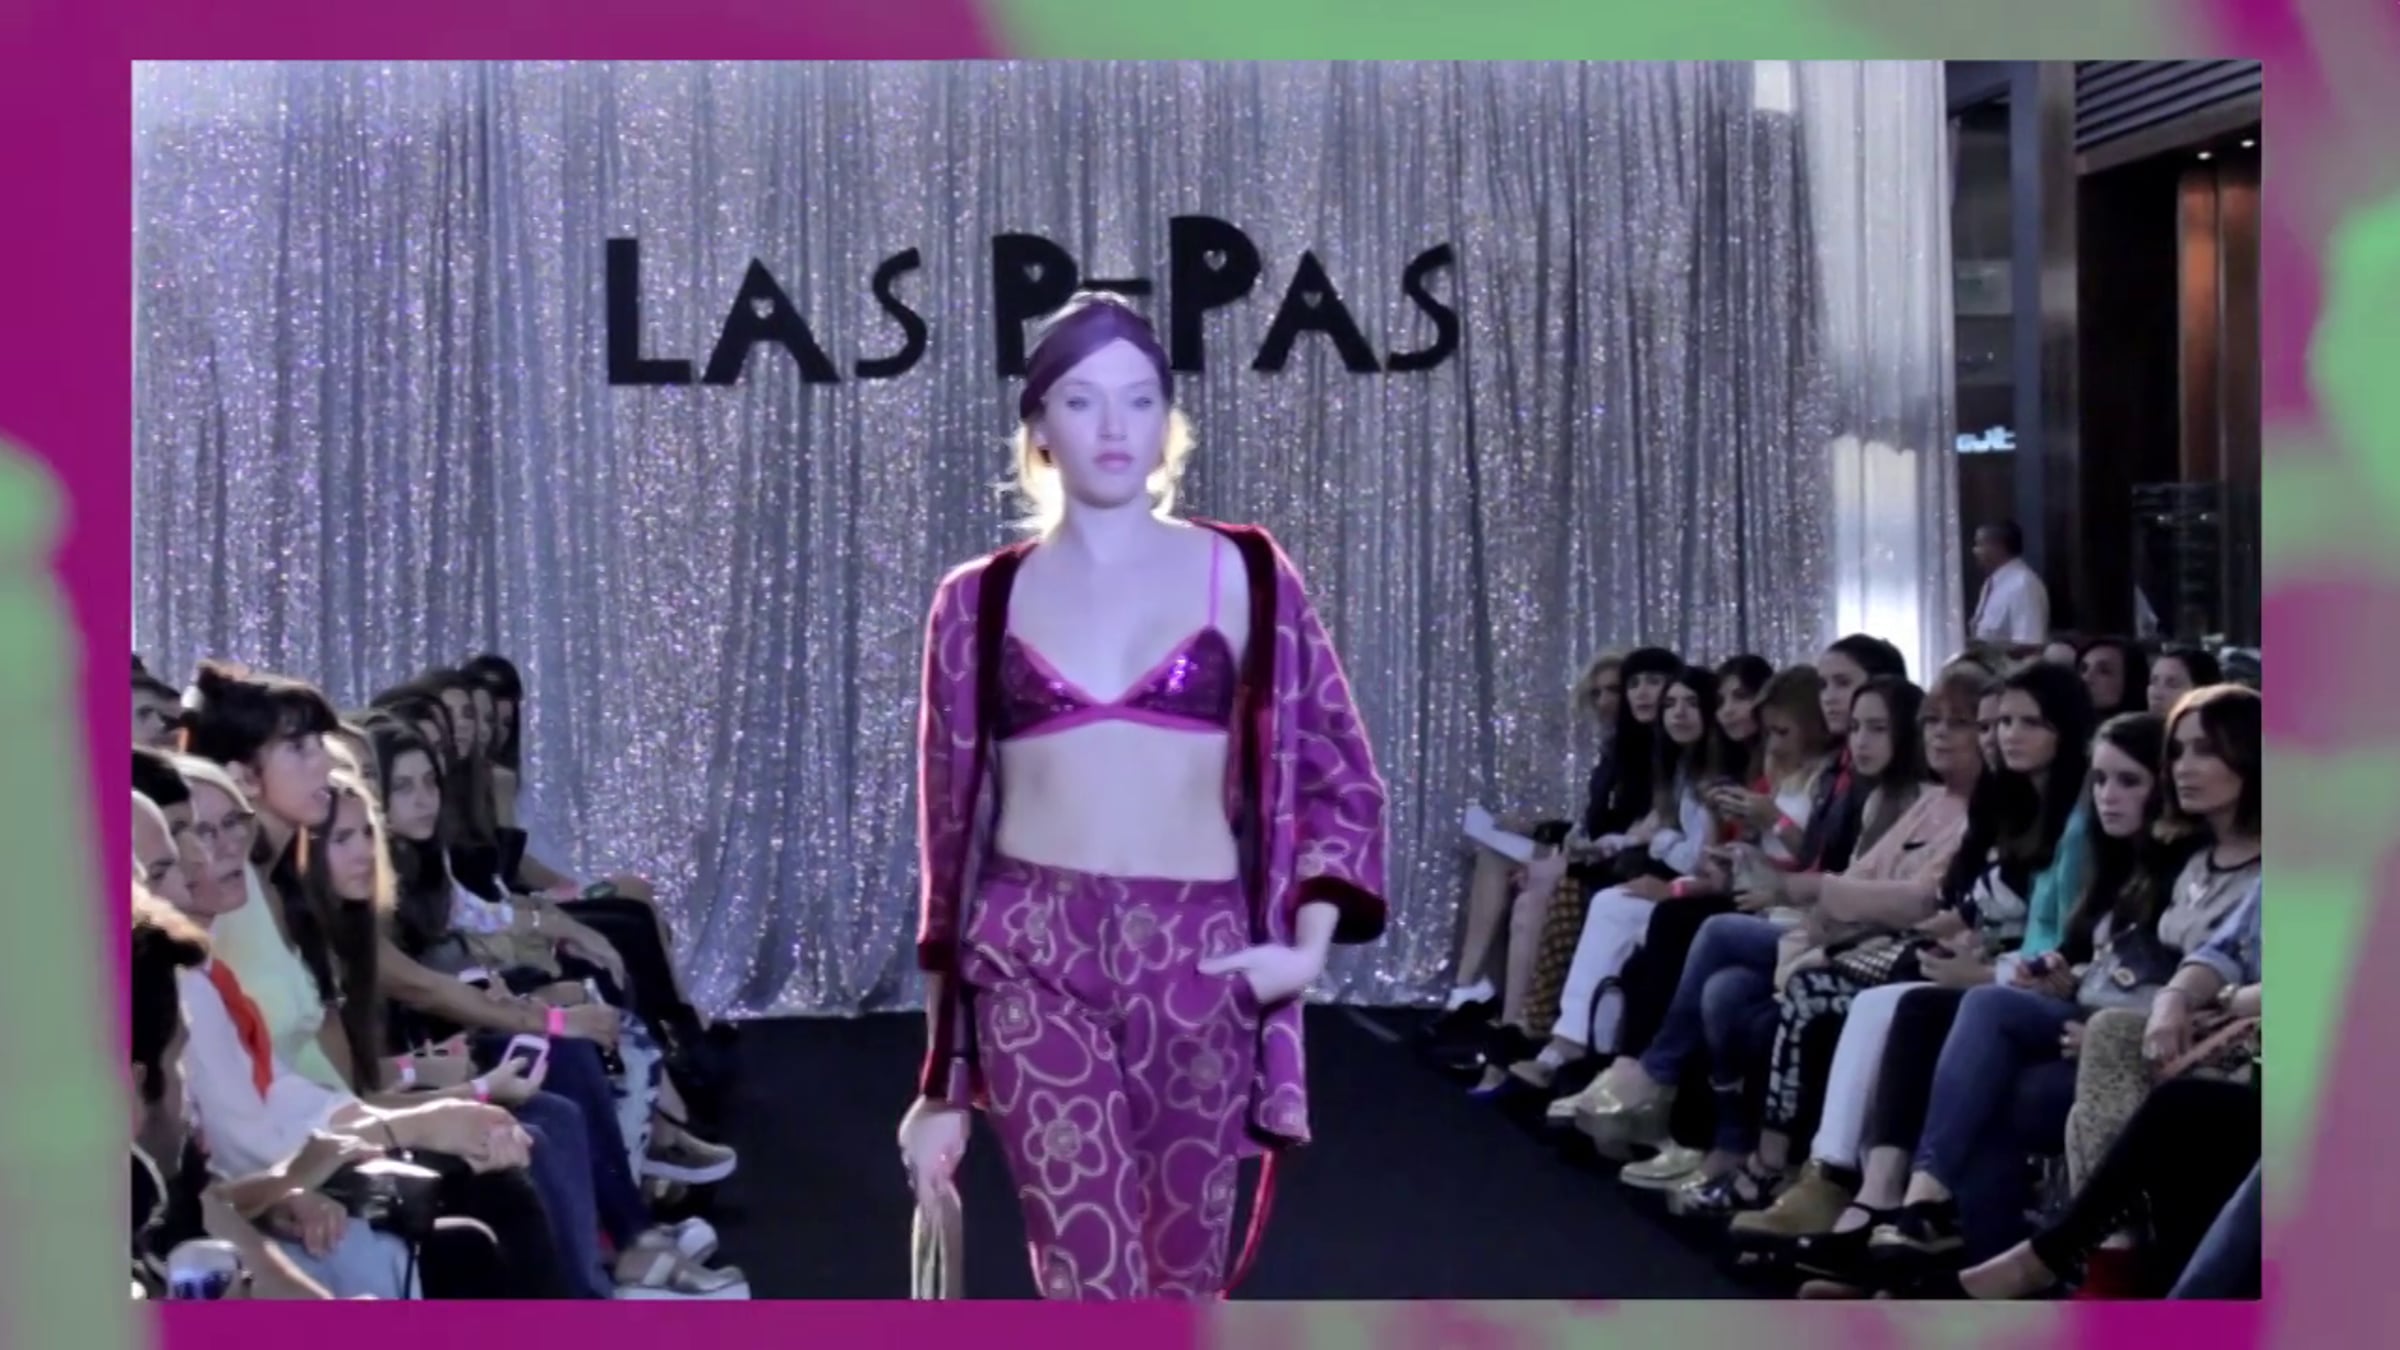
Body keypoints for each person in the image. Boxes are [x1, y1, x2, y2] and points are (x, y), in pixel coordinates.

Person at [896, 292, 1389, 1301]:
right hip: (1031, 951)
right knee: (1090, 1277)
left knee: (1181, 1281)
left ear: (1169, 422)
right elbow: (947, 841)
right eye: (1082, 400)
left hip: (1198, 958)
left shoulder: (1248, 573)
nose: (1113, 426)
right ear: (1040, 427)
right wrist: (941, 1081)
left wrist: (1306, 948)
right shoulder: (977, 600)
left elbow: (1338, 770)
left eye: (1139, 399)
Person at [1968, 522, 2049, 647]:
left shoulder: (2023, 585)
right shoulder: (1991, 584)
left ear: (1998, 547)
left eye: (1980, 544)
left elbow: (2029, 644)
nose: (1975, 551)